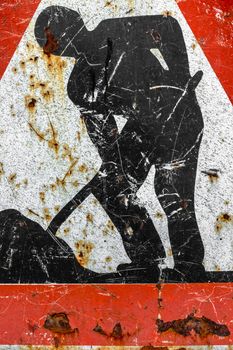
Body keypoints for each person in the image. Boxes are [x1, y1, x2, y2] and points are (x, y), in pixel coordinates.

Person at [35, 6, 205, 281]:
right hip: (143, 128)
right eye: (52, 45)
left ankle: (190, 267)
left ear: (75, 24)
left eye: (58, 37)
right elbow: (104, 133)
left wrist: (178, 75)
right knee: (112, 188)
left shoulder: (113, 30)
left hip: (178, 113)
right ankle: (147, 260)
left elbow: (169, 27)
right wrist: (112, 164)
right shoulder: (79, 87)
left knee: (171, 193)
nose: (60, 46)